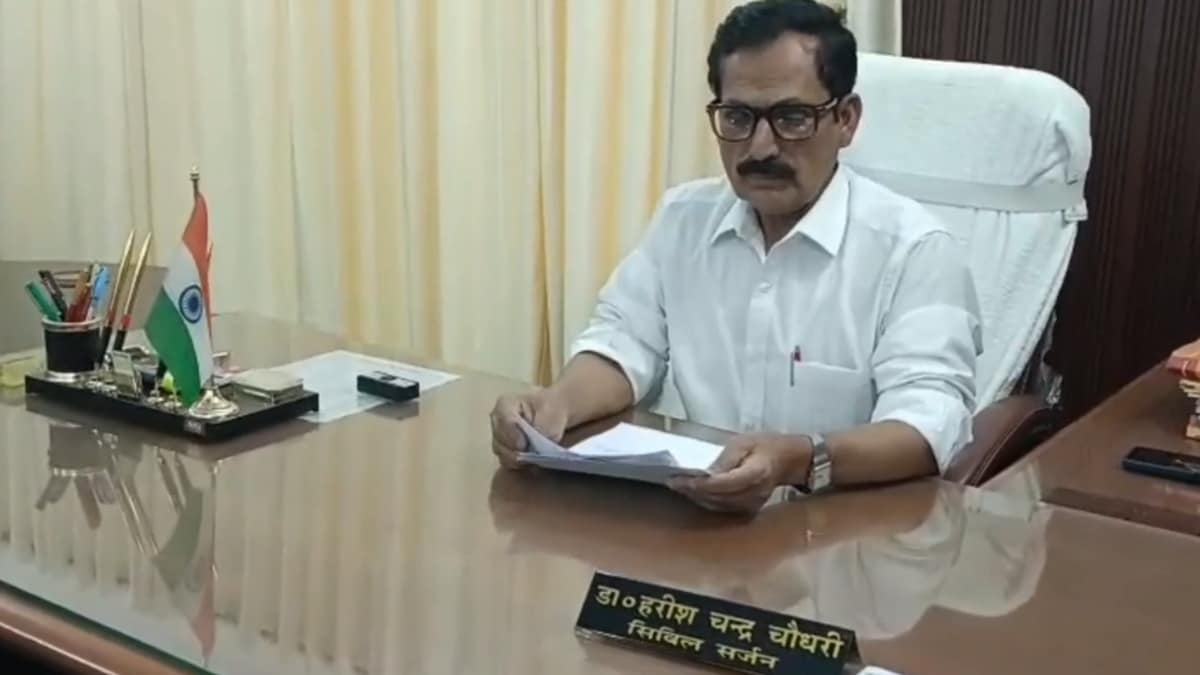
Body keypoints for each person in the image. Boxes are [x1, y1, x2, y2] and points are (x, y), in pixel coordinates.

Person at [489, 0, 982, 513]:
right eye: (738, 117)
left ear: (846, 120)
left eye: (792, 118)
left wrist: (799, 459)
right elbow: (624, 341)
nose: (761, 147)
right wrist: (556, 405)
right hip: (694, 517)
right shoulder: (685, 218)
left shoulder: (915, 249)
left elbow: (928, 426)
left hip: (842, 529)